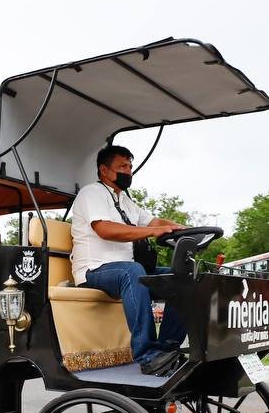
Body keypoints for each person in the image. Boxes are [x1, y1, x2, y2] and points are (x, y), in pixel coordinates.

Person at [71, 145, 186, 375]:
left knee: (181, 277)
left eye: (130, 167)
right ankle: (147, 355)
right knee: (133, 271)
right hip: (93, 270)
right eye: (122, 166)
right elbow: (104, 228)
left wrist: (180, 228)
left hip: (127, 271)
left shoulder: (125, 200)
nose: (129, 171)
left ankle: (167, 350)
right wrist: (152, 232)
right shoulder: (91, 193)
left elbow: (152, 222)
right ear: (104, 170)